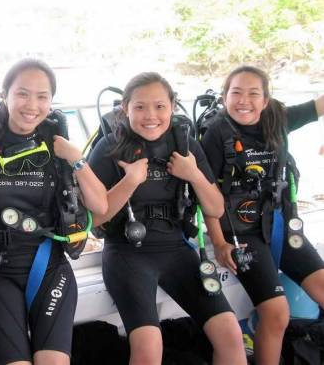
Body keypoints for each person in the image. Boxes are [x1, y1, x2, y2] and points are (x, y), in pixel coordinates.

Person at [0, 58, 107, 365]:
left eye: (42, 97)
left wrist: (78, 160)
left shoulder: (58, 145)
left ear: (51, 101)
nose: (32, 105)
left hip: (49, 267)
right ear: (5, 95)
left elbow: (100, 206)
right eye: (23, 93)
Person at [88, 72, 246, 365]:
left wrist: (194, 174)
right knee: (149, 349)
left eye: (160, 106)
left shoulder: (184, 144)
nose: (151, 116)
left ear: (172, 106)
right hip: (128, 254)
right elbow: (96, 218)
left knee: (230, 334)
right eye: (140, 107)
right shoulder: (110, 148)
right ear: (125, 108)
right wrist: (130, 181)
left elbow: (216, 208)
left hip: (176, 249)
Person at [201, 65, 324, 365]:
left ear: (266, 100)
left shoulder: (278, 119)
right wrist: (218, 243)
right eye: (236, 93)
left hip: (280, 225)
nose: (244, 100)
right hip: (240, 233)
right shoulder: (216, 134)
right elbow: (204, 195)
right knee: (277, 312)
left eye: (254, 93)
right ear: (224, 96)